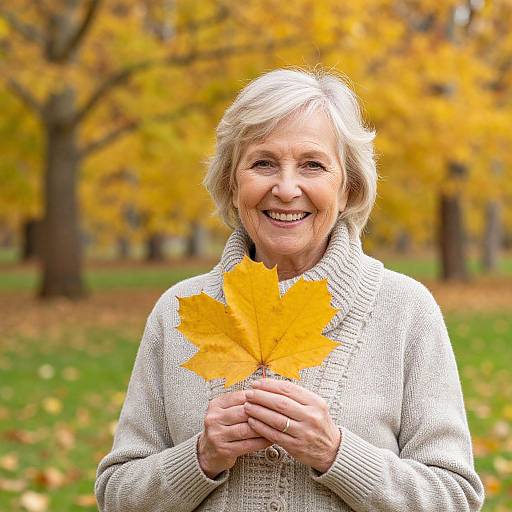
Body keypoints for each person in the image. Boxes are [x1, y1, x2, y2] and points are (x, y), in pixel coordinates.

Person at [95, 68, 484, 512]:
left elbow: (455, 499)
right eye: (263, 163)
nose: (285, 189)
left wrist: (336, 453)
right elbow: (116, 494)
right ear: (232, 182)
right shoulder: (181, 311)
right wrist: (200, 458)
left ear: (347, 187)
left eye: (312, 165)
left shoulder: (405, 310)